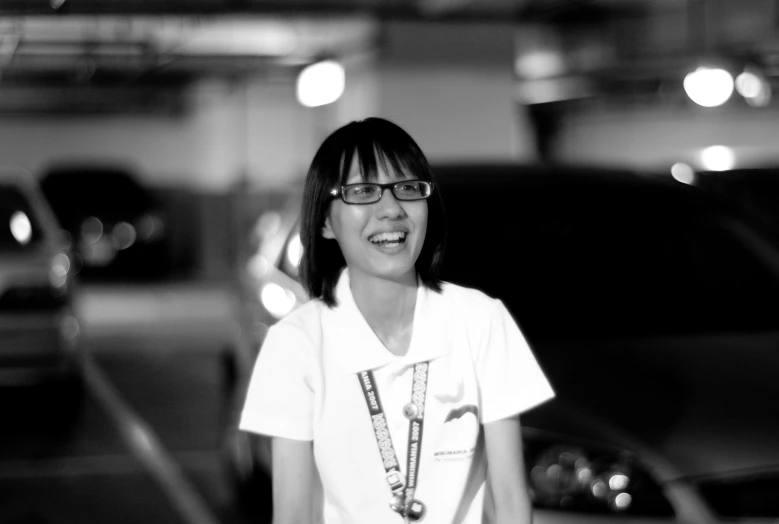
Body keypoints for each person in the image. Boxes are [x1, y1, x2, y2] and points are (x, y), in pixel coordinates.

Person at [239, 117, 555, 524]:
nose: (391, 210)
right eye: (364, 191)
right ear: (323, 222)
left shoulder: (481, 321)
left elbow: (510, 499)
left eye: (407, 189)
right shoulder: (294, 344)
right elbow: (294, 513)